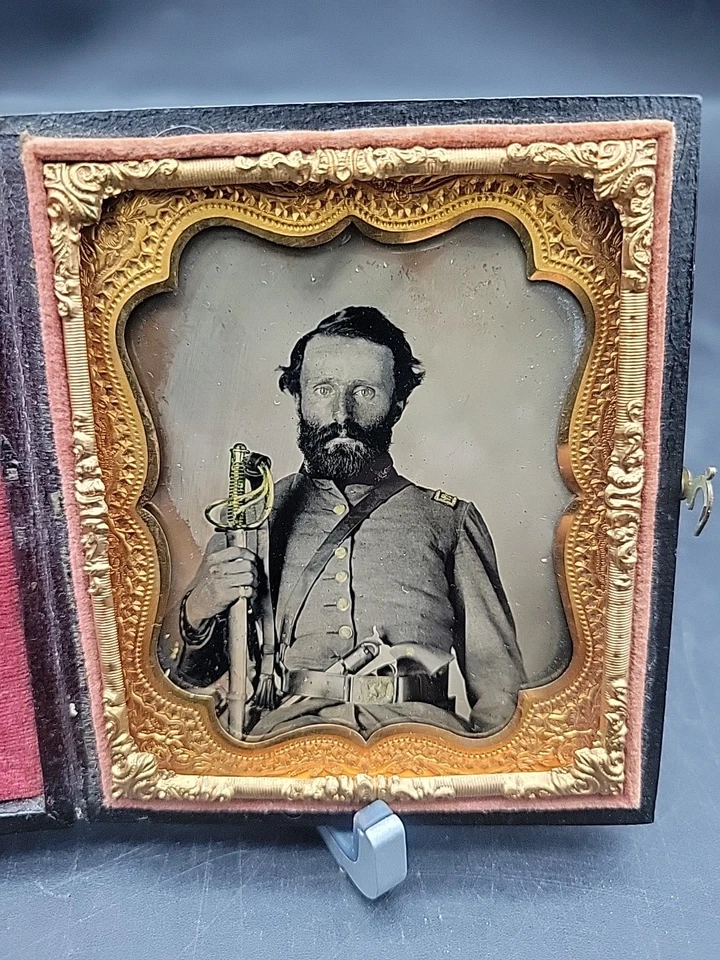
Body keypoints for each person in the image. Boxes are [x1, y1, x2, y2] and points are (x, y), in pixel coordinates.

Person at [160, 306, 525, 739]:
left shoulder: (447, 519)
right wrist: (201, 606)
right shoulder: (252, 515)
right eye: (323, 389)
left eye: (365, 392)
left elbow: (500, 688)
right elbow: (189, 681)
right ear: (298, 397)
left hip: (419, 744)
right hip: (282, 744)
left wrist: (473, 771)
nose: (342, 413)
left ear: (398, 403)